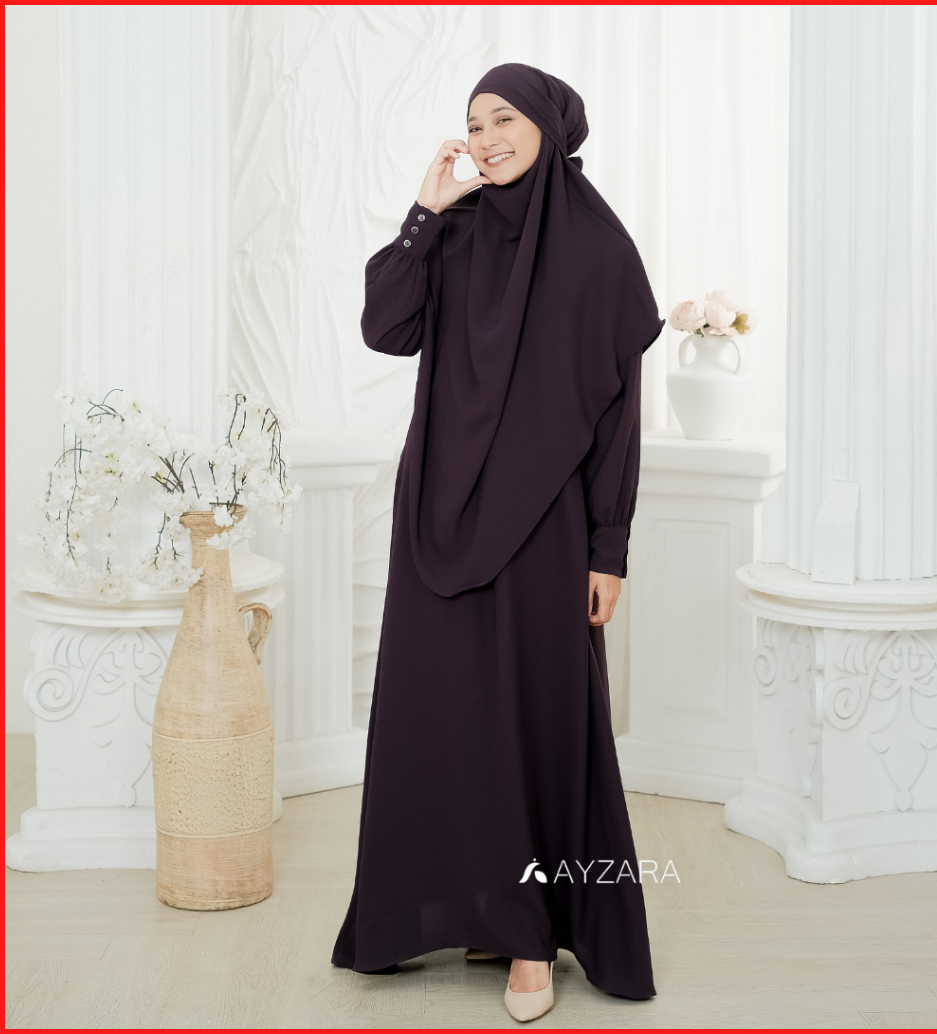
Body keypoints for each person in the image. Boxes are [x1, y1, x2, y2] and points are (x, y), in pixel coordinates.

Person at [331, 62, 664, 1023]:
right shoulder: (458, 231)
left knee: (533, 722)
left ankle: (529, 938)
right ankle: (462, 906)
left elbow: (619, 417)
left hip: (546, 529)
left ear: (550, 126)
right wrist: (423, 212)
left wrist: (609, 546)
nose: (484, 139)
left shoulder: (600, 251)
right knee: (442, 719)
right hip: (436, 513)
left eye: (503, 118)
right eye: (473, 124)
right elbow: (385, 328)